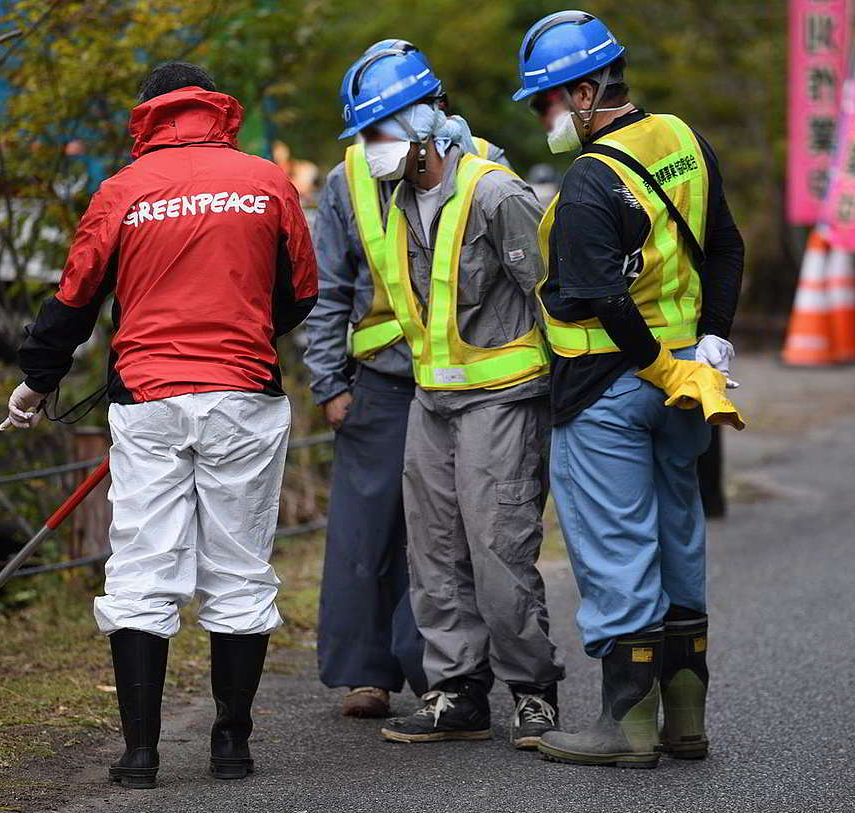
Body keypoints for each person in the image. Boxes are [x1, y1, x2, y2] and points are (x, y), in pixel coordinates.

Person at [0, 61, 317, 786]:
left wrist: (37, 380)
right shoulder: (266, 181)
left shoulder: (123, 190)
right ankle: (230, 745)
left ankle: (139, 754)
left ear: (149, 115)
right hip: (243, 393)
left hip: (147, 399)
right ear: (215, 108)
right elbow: (302, 291)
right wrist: (248, 331)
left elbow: (74, 298)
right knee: (239, 566)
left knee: (142, 566)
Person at [512, 11, 745, 767]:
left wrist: (658, 364)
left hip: (607, 389)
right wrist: (709, 338)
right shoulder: (681, 137)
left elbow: (602, 298)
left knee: (616, 547)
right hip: (684, 382)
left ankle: (626, 726)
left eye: (547, 101)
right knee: (679, 531)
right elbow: (726, 245)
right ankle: (685, 719)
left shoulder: (589, 178)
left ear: (586, 91)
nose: (546, 116)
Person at [332, 45, 565, 748]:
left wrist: (568, 396)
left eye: (377, 134)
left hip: (503, 396)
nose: (369, 151)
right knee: (433, 553)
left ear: (419, 127)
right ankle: (457, 688)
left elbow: (551, 295)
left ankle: (534, 688)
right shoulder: (401, 200)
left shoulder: (496, 193)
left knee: (499, 548)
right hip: (429, 398)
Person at [305, 38, 513, 720]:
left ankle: (440, 673)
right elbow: (329, 290)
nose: (373, 144)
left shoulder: (486, 170)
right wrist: (328, 383)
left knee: (443, 536)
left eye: (382, 127)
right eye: (364, 131)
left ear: (432, 112)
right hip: (381, 381)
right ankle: (363, 672)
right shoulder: (348, 182)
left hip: (464, 383)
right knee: (364, 534)